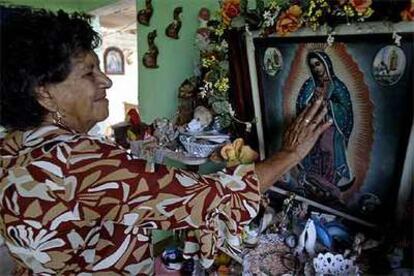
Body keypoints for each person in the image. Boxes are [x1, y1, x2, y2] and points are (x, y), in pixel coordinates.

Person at [0, 6, 331, 275]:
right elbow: (212, 196)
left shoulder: (11, 148)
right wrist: (290, 152)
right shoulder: (78, 161)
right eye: (88, 73)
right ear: (43, 93)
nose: (105, 81)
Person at [296, 51, 354, 196]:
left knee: (327, 151)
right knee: (315, 151)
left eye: (318, 64)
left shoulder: (338, 85)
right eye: (313, 66)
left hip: (331, 127)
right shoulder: (310, 84)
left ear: (326, 64)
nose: (316, 69)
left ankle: (329, 183)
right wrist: (312, 103)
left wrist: (328, 105)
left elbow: (345, 109)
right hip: (314, 125)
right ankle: (317, 181)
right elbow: (301, 104)